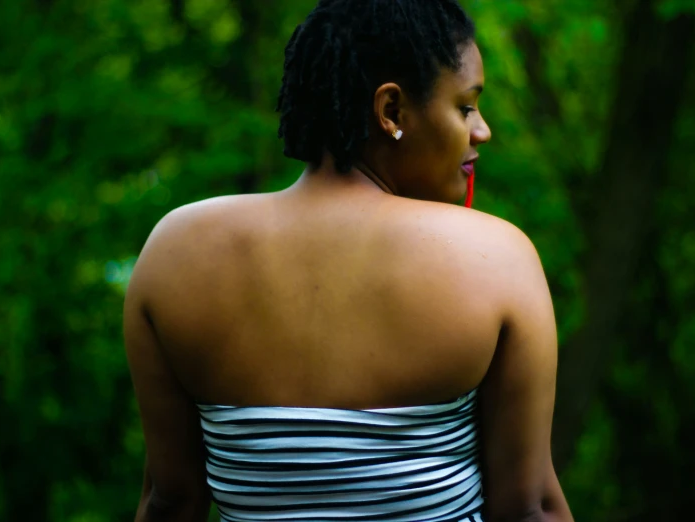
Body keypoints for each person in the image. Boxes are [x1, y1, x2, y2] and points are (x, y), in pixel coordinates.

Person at [124, 1, 574, 521]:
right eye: (466, 107)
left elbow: (171, 499)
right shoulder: (495, 257)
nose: (482, 132)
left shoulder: (175, 252)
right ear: (391, 112)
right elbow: (528, 507)